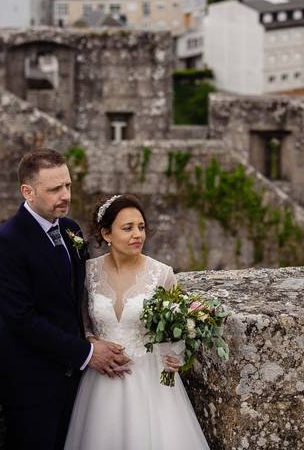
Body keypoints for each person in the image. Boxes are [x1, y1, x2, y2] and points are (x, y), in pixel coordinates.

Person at [0, 148, 131, 450]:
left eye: (67, 185)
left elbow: (78, 298)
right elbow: (22, 320)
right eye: (54, 189)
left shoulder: (70, 229)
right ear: (27, 191)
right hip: (32, 387)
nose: (65, 195)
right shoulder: (6, 242)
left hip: (76, 384)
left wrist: (91, 335)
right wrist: (87, 353)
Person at [64, 193, 210, 450]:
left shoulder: (162, 274)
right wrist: (91, 341)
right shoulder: (88, 272)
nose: (138, 235)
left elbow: (177, 326)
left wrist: (177, 353)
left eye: (141, 227)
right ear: (107, 234)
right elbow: (83, 322)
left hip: (150, 382)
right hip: (101, 379)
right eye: (128, 228)